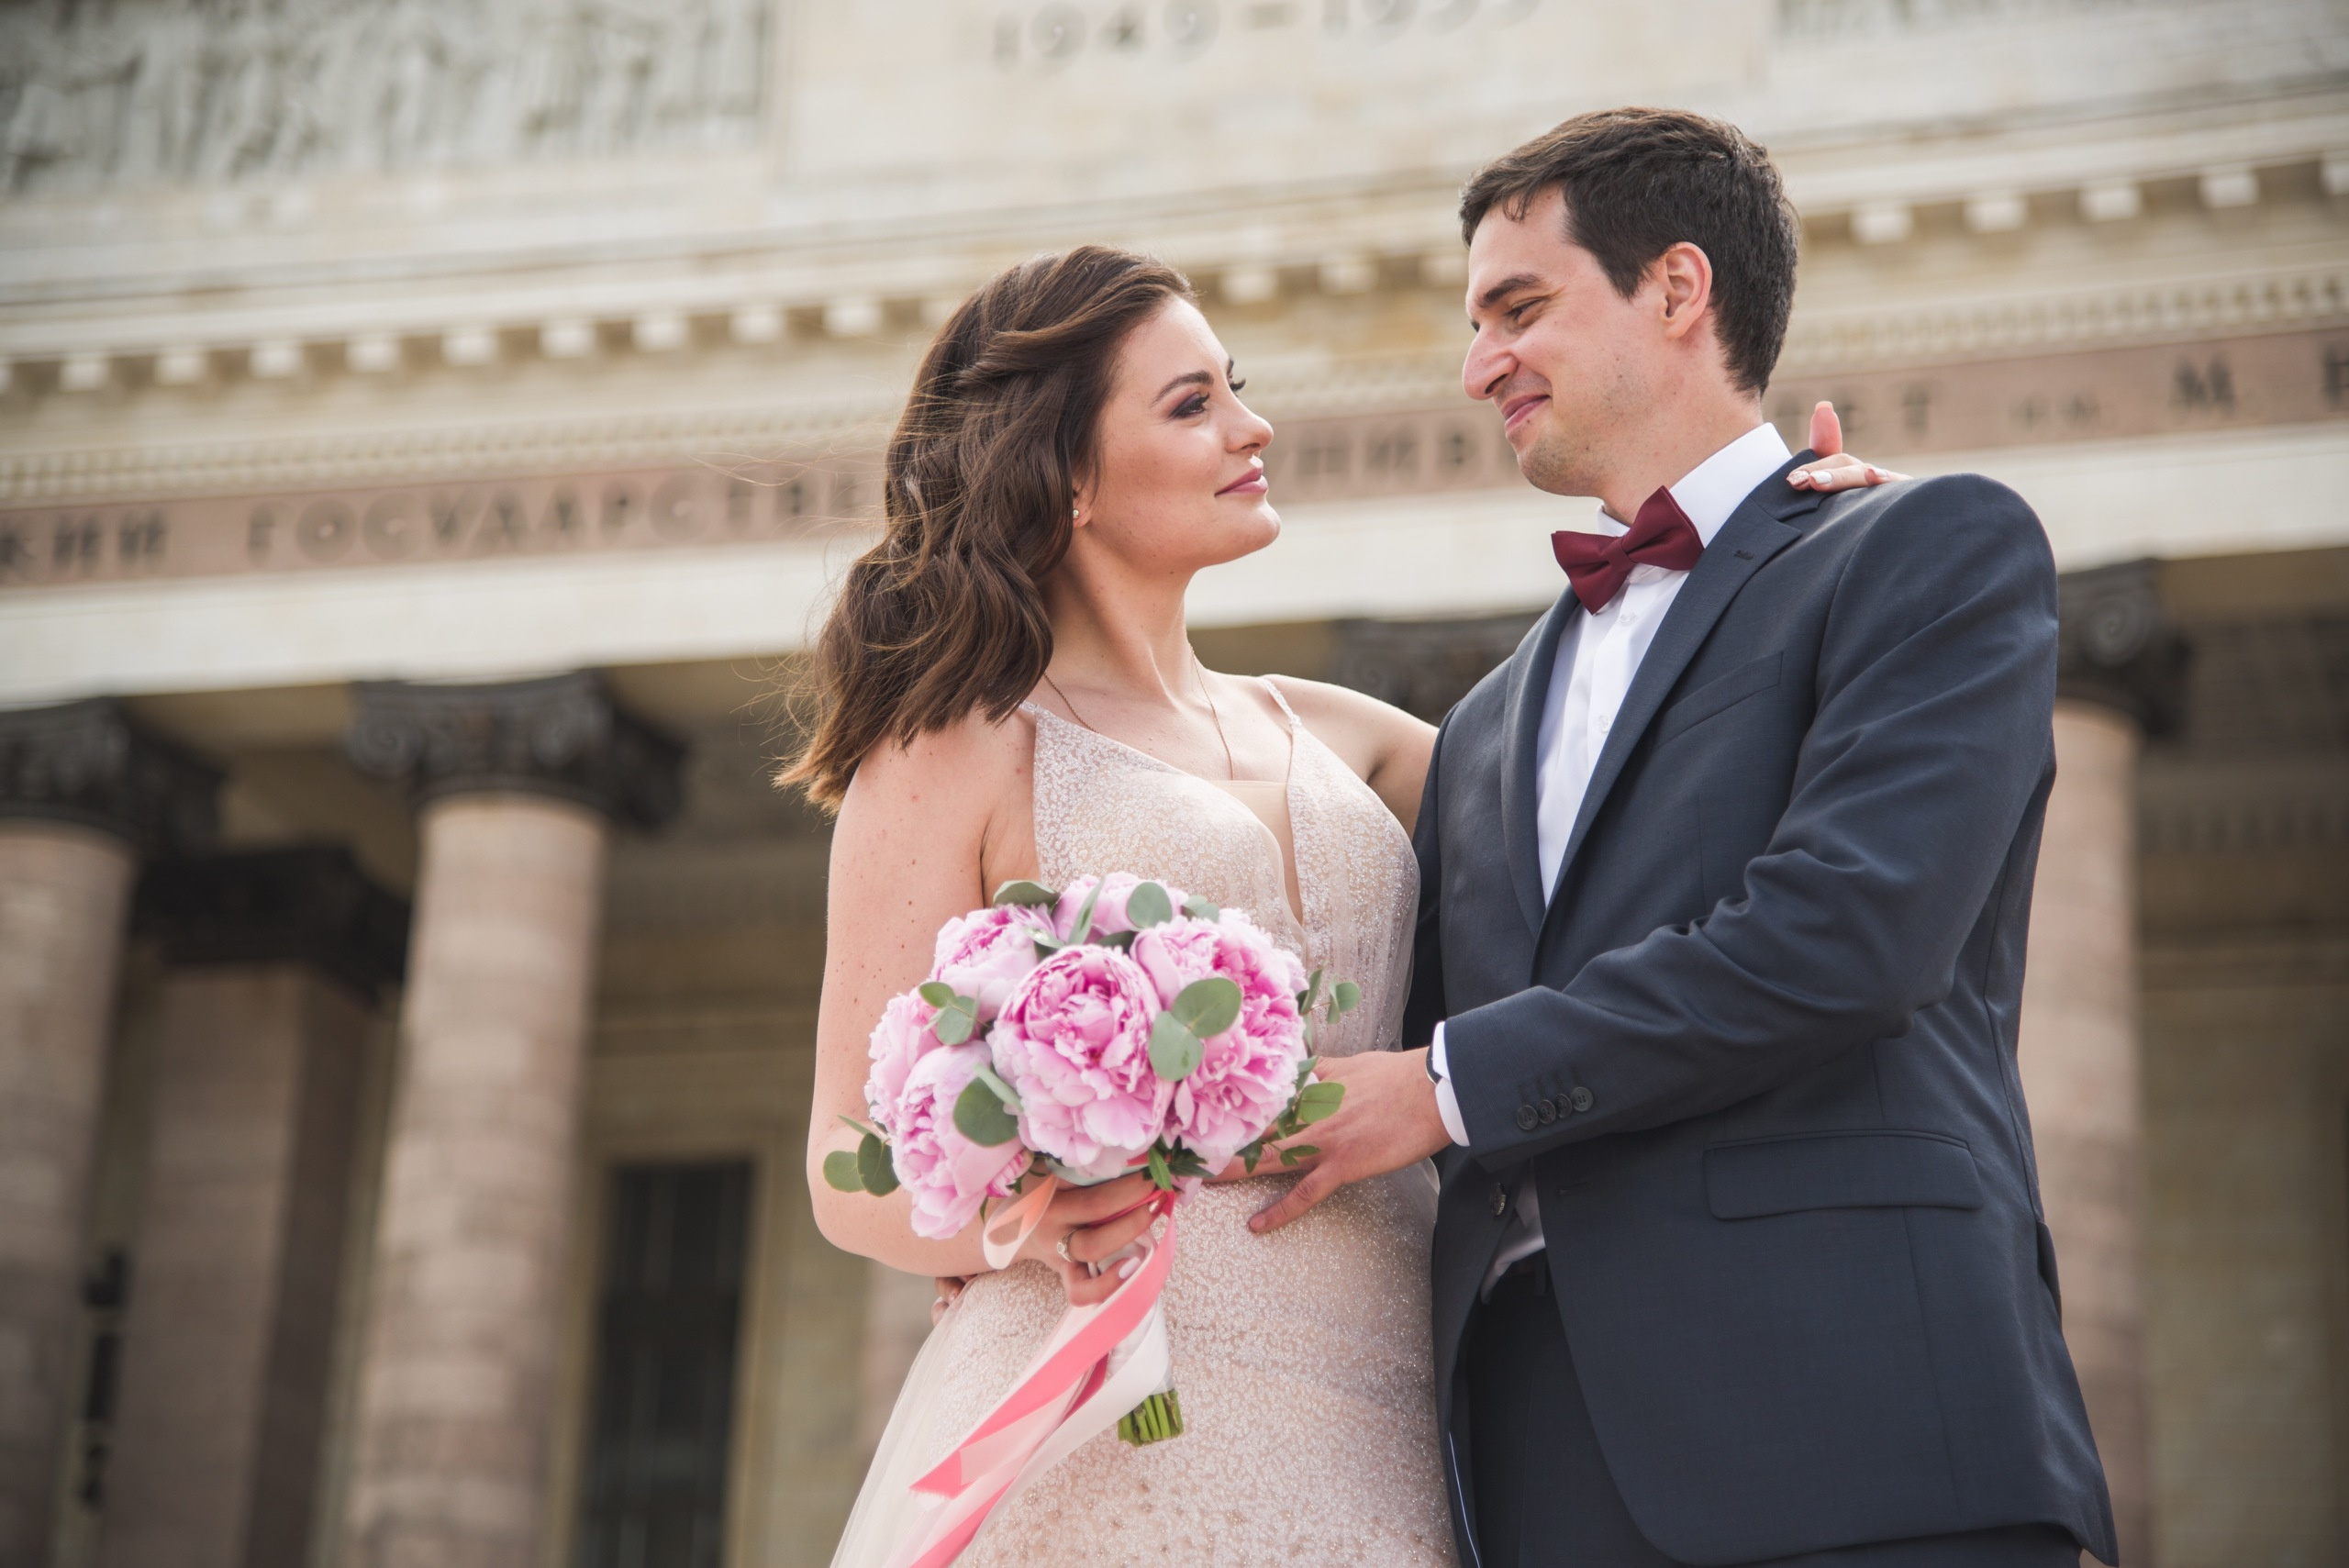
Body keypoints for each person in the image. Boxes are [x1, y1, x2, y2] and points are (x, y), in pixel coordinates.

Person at [792, 241, 1891, 1567]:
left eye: (1236, 387)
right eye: (1192, 404)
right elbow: (848, 1164)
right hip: (1118, 1412)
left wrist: (1792, 550)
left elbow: (1650, 808)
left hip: (1397, 1403)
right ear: (1066, 475)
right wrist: (1018, 1222)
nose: (1253, 427)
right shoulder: (953, 750)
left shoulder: (1348, 734)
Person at [1249, 108, 2121, 1567]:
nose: (1478, 367)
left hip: (1864, 1429)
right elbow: (1384, 1065)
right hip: (1536, 1464)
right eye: (1474, 325)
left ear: (1676, 287)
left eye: (1519, 308)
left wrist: (1446, 1085)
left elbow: (1845, 935)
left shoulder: (1922, 546)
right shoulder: (1478, 725)